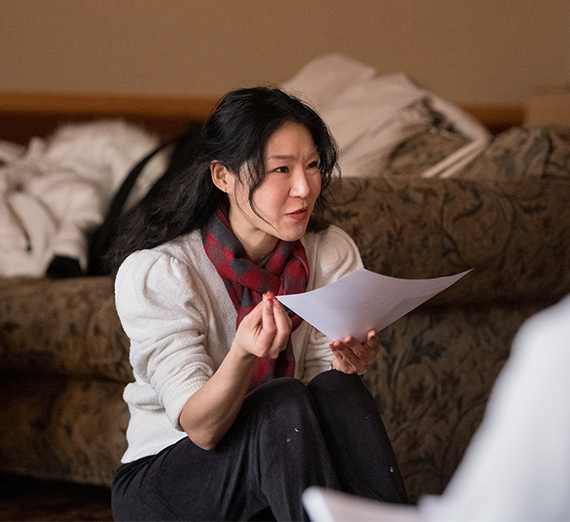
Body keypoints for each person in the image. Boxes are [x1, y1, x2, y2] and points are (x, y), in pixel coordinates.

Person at [109, 87, 408, 521]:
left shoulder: (329, 253)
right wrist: (243, 355)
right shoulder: (161, 272)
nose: (304, 188)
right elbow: (202, 428)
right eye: (280, 170)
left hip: (278, 467)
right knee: (281, 400)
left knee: (338, 391)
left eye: (312, 166)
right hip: (171, 481)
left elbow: (317, 404)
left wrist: (346, 364)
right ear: (222, 177)